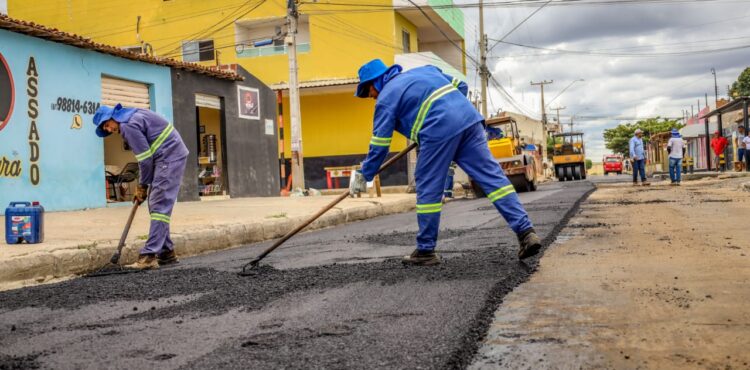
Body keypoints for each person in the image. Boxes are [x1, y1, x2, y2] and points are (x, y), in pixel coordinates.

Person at [349, 59, 541, 265]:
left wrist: (365, 174)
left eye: (368, 90)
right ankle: (526, 233)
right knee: (494, 180)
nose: (370, 96)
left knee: (428, 189)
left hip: (437, 130)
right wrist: (452, 111)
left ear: (376, 82)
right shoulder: (426, 71)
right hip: (470, 122)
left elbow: (379, 144)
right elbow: (462, 86)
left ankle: (425, 250)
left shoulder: (386, 98)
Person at [93, 104, 189, 269]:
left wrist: (143, 185)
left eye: (107, 125)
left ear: (112, 117)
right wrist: (144, 186)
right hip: (168, 155)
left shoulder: (128, 125)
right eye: (105, 128)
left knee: (159, 204)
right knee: (157, 205)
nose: (108, 130)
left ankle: (149, 255)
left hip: (169, 156)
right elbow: (148, 158)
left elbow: (145, 159)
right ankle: (166, 252)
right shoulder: (131, 115)